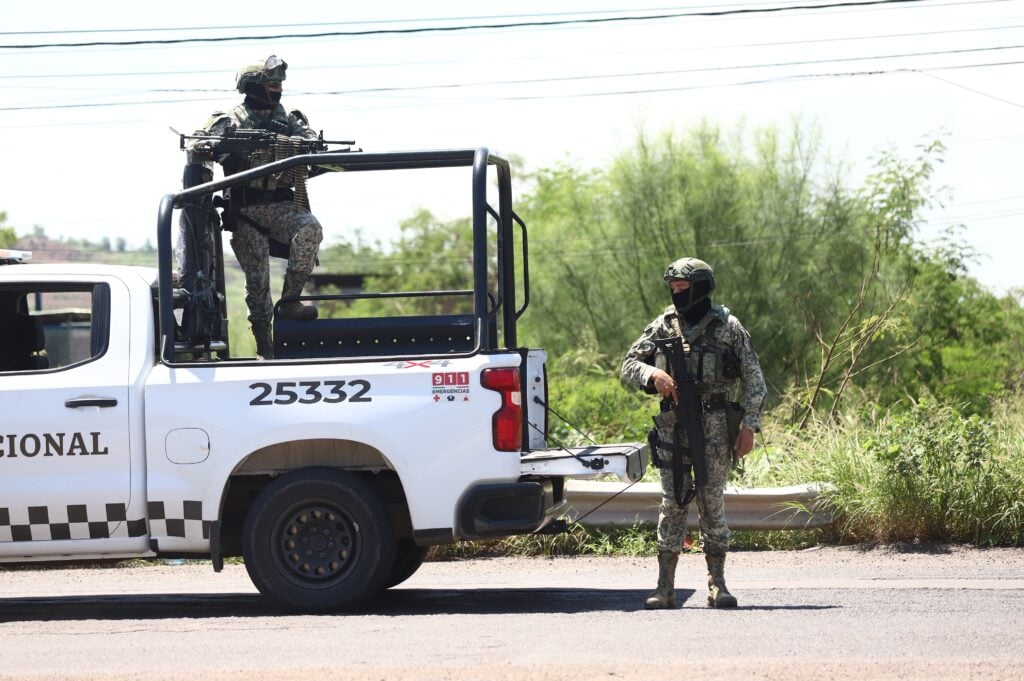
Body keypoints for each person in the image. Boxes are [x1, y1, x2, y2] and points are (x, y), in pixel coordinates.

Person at [621, 257, 766, 609]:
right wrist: (652, 376)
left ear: (700, 288)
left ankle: (718, 585)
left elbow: (755, 380)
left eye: (683, 289)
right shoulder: (663, 325)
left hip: (716, 425)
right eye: (672, 288)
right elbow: (628, 365)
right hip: (674, 425)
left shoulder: (727, 326)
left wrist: (749, 426)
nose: (676, 294)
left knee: (711, 502)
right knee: (672, 503)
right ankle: (665, 587)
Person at [186, 55, 323, 359]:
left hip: (281, 207)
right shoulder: (229, 120)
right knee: (258, 283)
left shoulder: (290, 120)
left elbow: (311, 146)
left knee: (311, 228)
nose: (278, 89)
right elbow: (197, 146)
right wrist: (216, 147)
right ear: (254, 87)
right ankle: (266, 349)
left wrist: (305, 148)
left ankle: (290, 302)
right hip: (245, 212)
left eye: (279, 84)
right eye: (272, 84)